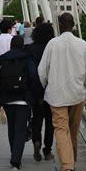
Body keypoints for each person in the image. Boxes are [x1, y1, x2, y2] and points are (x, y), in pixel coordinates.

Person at [38, 12, 86, 171]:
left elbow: (42, 70)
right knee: (73, 129)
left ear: (60, 25)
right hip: (77, 93)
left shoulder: (52, 44)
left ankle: (67, 165)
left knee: (61, 129)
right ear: (74, 25)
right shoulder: (82, 44)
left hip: (57, 93)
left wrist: (46, 85)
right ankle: (73, 161)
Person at [0, 35, 42, 171]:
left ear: (11, 46)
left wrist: (0, 91)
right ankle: (15, 162)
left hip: (7, 99)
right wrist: (35, 95)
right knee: (20, 130)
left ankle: (15, 155)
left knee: (12, 129)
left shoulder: (3, 59)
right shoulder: (27, 59)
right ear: (22, 46)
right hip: (23, 99)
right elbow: (33, 77)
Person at [26, 22, 55, 162]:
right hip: (52, 88)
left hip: (35, 89)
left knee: (37, 117)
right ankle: (47, 150)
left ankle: (36, 140)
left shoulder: (30, 49)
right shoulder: (53, 48)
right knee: (50, 121)